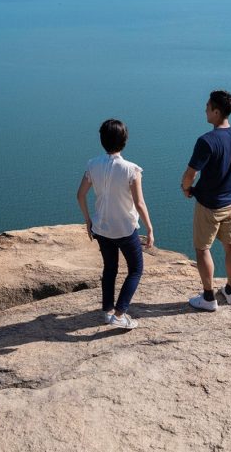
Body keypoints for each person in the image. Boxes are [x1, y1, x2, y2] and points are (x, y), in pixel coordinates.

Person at [77, 119, 155, 329]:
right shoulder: (132, 170)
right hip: (125, 229)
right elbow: (139, 203)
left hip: (101, 228)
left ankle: (107, 311)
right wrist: (149, 227)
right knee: (136, 269)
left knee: (110, 268)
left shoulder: (92, 165)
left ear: (102, 140)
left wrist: (88, 220)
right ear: (125, 140)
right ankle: (120, 314)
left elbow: (80, 195)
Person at [181, 90, 231, 311]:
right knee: (230, 244)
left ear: (216, 111)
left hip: (210, 205)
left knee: (203, 249)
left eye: (208, 106)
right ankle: (230, 291)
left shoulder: (207, 141)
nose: (204, 109)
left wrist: (186, 189)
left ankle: (208, 298)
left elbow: (191, 173)